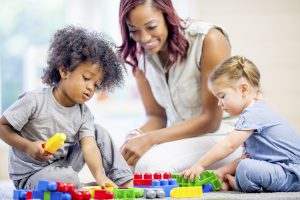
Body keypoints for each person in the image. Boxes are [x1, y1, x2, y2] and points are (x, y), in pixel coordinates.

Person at [0, 26, 133, 189]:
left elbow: (89, 145)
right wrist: (27, 146)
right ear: (64, 71)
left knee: (98, 132)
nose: (91, 88)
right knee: (68, 178)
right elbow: (2, 126)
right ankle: (75, 184)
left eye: (96, 85)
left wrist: (100, 175)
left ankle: (123, 182)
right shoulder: (34, 100)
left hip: (63, 166)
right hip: (31, 175)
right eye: (86, 78)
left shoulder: (84, 114)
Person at [118, 0, 241, 173]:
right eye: (134, 31)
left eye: (151, 26)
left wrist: (150, 139)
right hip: (181, 141)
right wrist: (136, 136)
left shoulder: (208, 39)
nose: (144, 38)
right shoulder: (140, 56)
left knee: (150, 167)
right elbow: (156, 117)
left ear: (167, 15)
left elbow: (211, 120)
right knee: (123, 164)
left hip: (225, 138)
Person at [181, 55, 300, 192]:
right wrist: (219, 172)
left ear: (243, 90)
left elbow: (229, 145)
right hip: (282, 170)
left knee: (245, 168)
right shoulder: (253, 113)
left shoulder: (254, 114)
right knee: (244, 163)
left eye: (222, 96)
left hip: (292, 173)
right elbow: (247, 156)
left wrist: (200, 165)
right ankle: (234, 180)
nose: (219, 103)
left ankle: (236, 184)